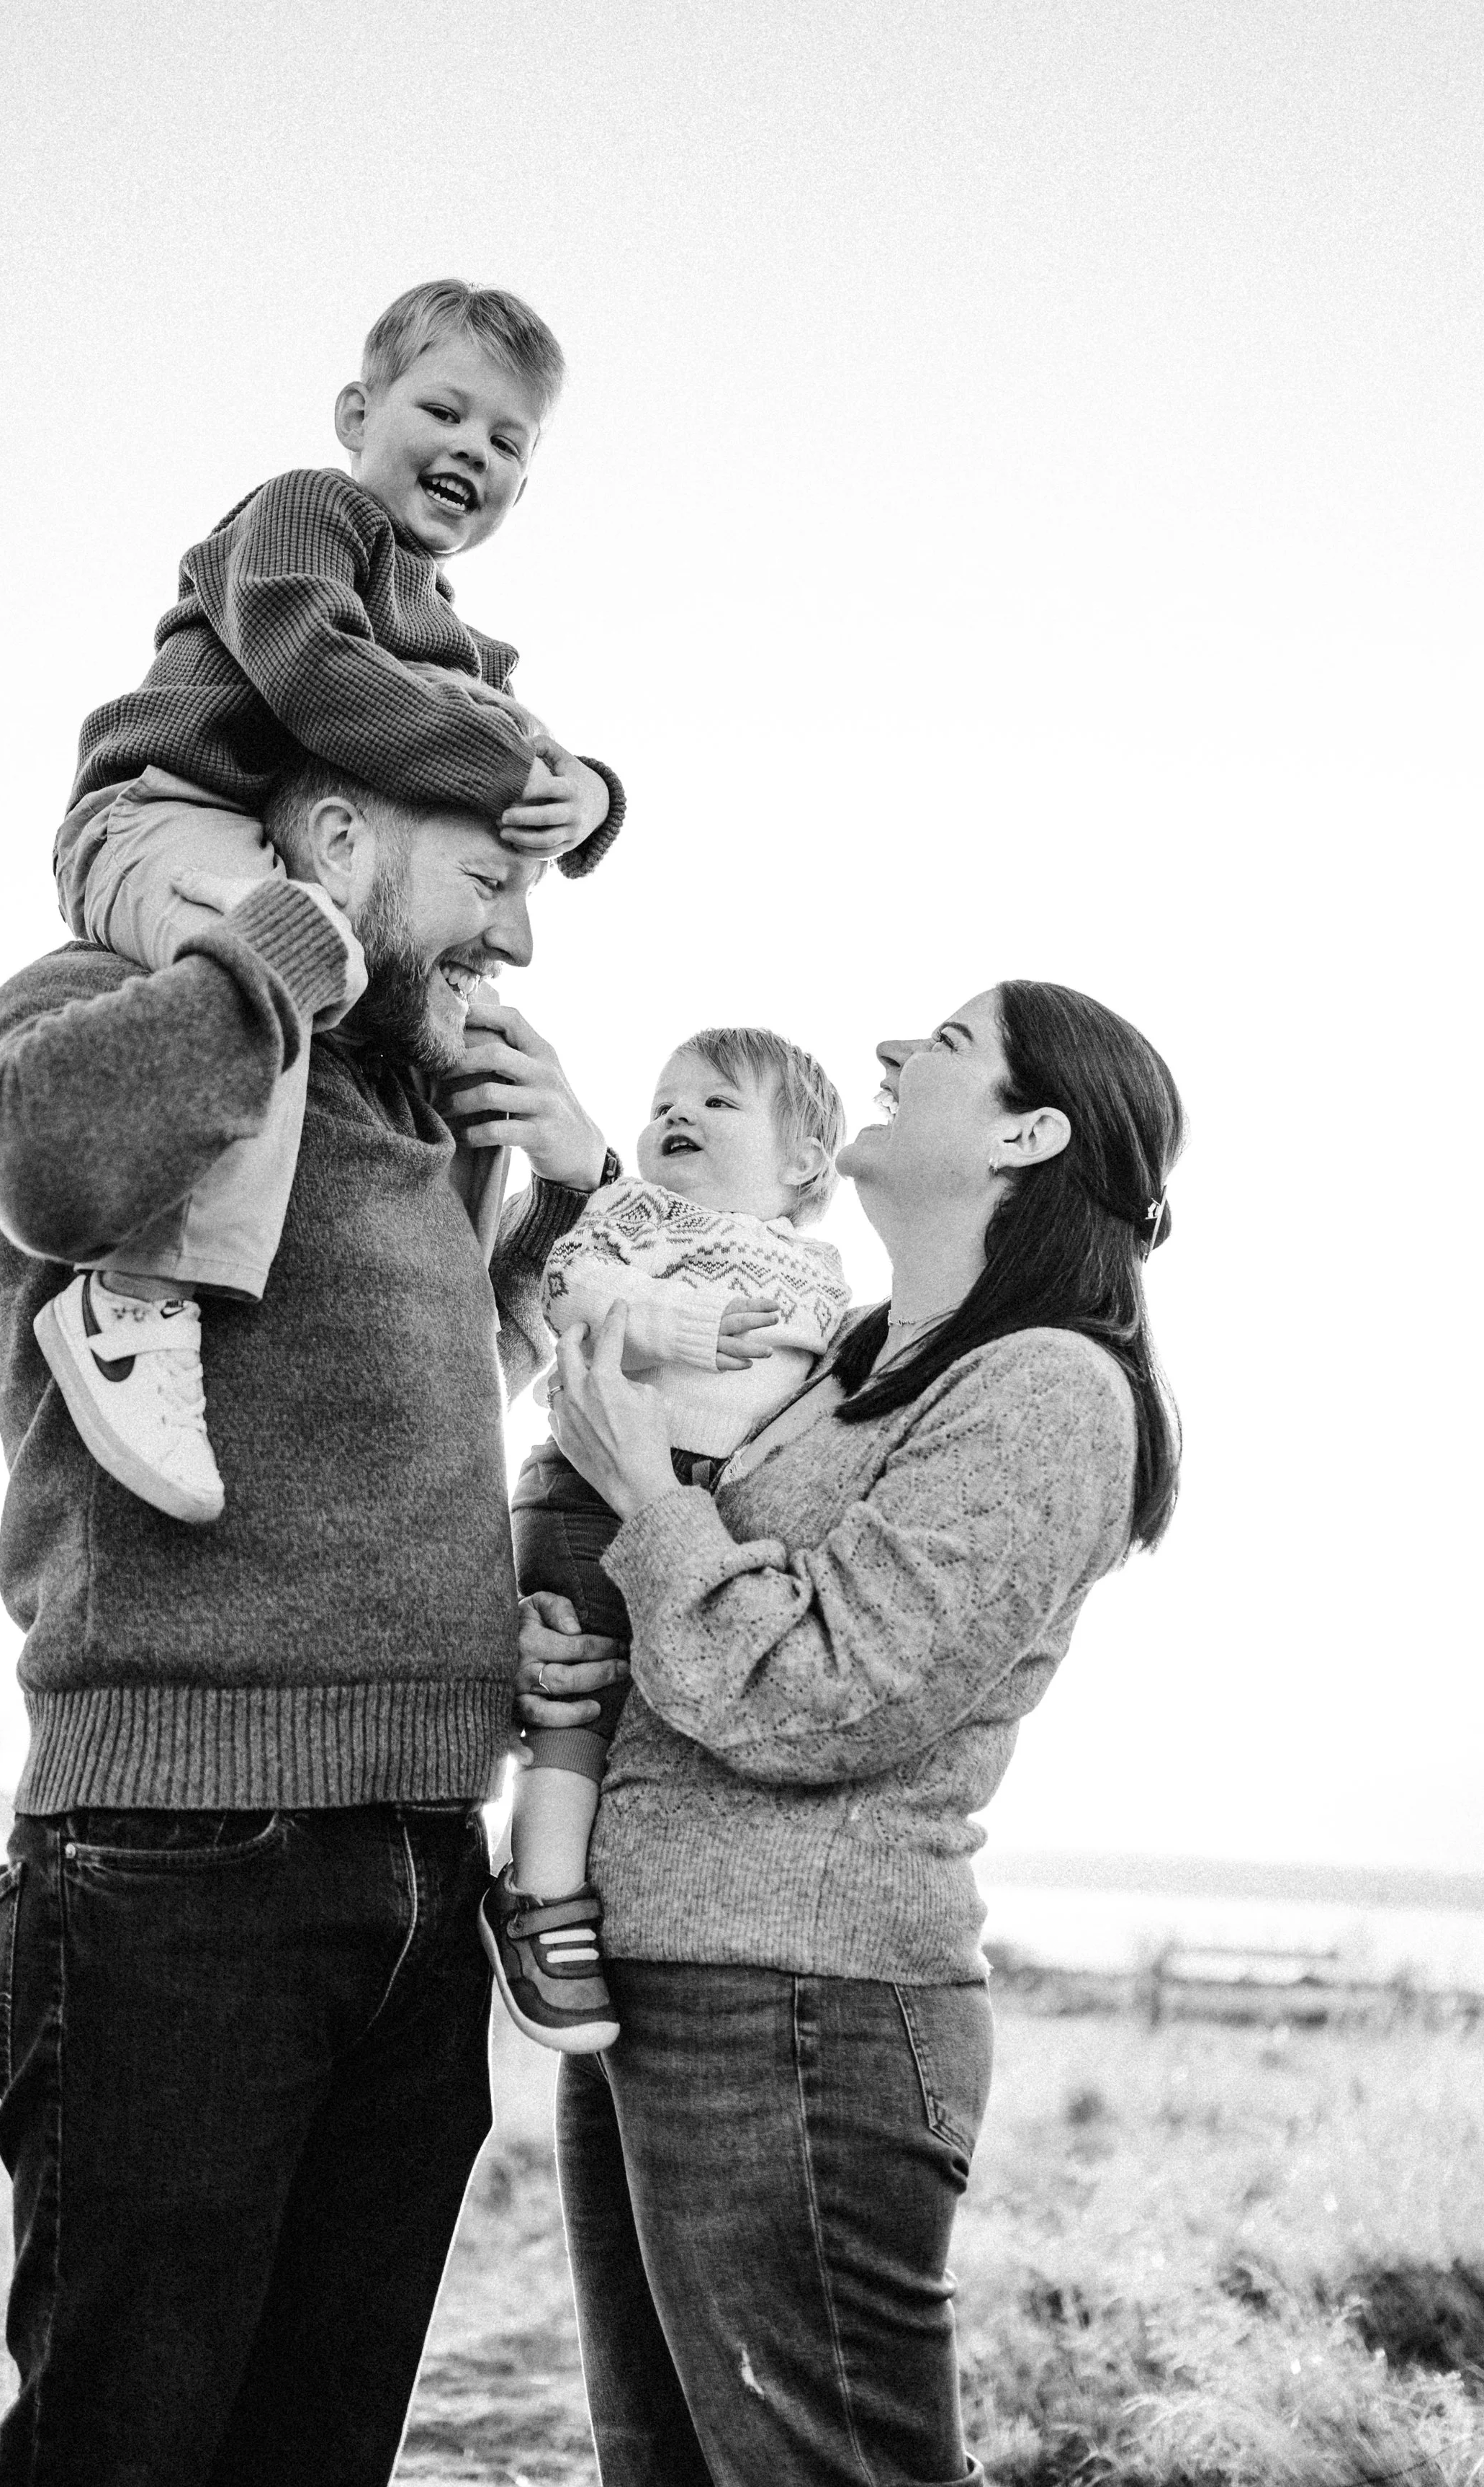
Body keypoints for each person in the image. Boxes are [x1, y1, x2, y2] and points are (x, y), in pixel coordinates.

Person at [0, 754, 615, 2487]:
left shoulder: (420, 1110)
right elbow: (39, 1158)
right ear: (339, 840)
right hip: (181, 1856)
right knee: (128, 2450)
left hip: (420, 1858)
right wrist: (279, 959)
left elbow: (501, 1367)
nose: (523, 939)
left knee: (315, 2452)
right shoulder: (110, 1004)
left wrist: (576, 1169)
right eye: (489, 881)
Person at [519, 978, 1185, 2487]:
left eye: (942, 1047)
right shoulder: (846, 1358)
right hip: (666, 1981)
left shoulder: (1046, 1392)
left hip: (802, 2010)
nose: (888, 1053)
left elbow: (828, 1693)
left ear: (1028, 1129)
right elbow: (702, 1638)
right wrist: (571, 1657)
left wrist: (647, 1503)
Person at [38, 277, 626, 1524]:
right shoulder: (308, 517)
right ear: (358, 410)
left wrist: (587, 798)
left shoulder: (467, 647)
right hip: (165, 816)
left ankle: (434, 1273)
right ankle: (139, 1298)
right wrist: (512, 768)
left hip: (278, 855)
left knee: (416, 1026)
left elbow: (529, 749)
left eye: (508, 439)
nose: (472, 446)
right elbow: (309, 667)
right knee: (277, 954)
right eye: (445, 409)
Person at [482, 1027, 850, 2053]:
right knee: (580, 1692)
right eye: (664, 1103)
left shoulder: (819, 1273)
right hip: (586, 1490)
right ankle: (540, 1900)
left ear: (803, 1165)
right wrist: (676, 1329)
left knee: (665, 1699)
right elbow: (573, 1298)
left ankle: (610, 1890)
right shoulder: (635, 1217)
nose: (677, 1115)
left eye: (719, 1103)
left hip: (699, 1506)